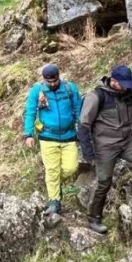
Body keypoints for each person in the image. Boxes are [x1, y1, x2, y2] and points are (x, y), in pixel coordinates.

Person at [78, 65, 132, 235]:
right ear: (113, 81)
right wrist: (89, 153)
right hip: (105, 146)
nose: (126, 87)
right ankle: (94, 217)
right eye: (123, 84)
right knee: (104, 181)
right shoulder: (96, 96)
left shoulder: (129, 95)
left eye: (128, 84)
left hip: (127, 142)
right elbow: (84, 125)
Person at [23, 64, 82, 216]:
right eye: (49, 82)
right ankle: (54, 201)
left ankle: (54, 185)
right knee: (52, 169)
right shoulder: (37, 91)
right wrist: (28, 134)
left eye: (55, 81)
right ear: (44, 80)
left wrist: (80, 128)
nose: (52, 84)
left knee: (71, 167)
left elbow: (78, 109)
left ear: (58, 77)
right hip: (47, 137)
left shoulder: (70, 88)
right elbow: (30, 112)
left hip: (68, 135)